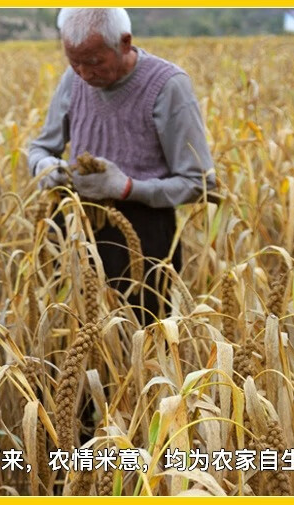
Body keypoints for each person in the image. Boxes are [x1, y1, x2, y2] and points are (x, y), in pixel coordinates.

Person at [29, 8, 216, 325]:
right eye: (74, 62)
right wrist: (45, 166)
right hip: (76, 230)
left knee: (140, 335)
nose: (84, 74)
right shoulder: (73, 80)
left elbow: (200, 182)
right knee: (72, 330)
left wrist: (128, 187)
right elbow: (40, 148)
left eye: (94, 62)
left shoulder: (167, 86)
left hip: (141, 238)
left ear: (125, 42)